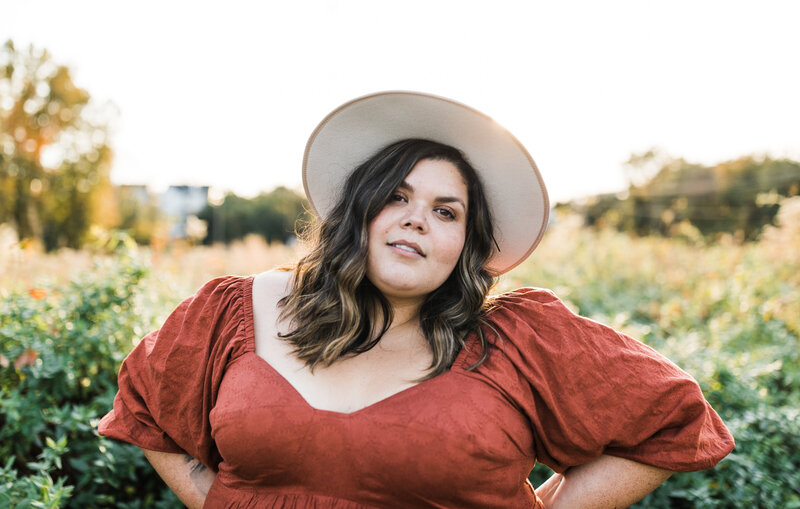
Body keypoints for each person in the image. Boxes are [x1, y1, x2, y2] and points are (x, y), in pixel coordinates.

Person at [99, 91, 735, 508]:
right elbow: (147, 407)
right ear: (360, 211)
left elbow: (670, 421)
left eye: (445, 210)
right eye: (397, 197)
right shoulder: (241, 311)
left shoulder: (513, 342)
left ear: (468, 242)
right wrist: (215, 498)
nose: (416, 220)